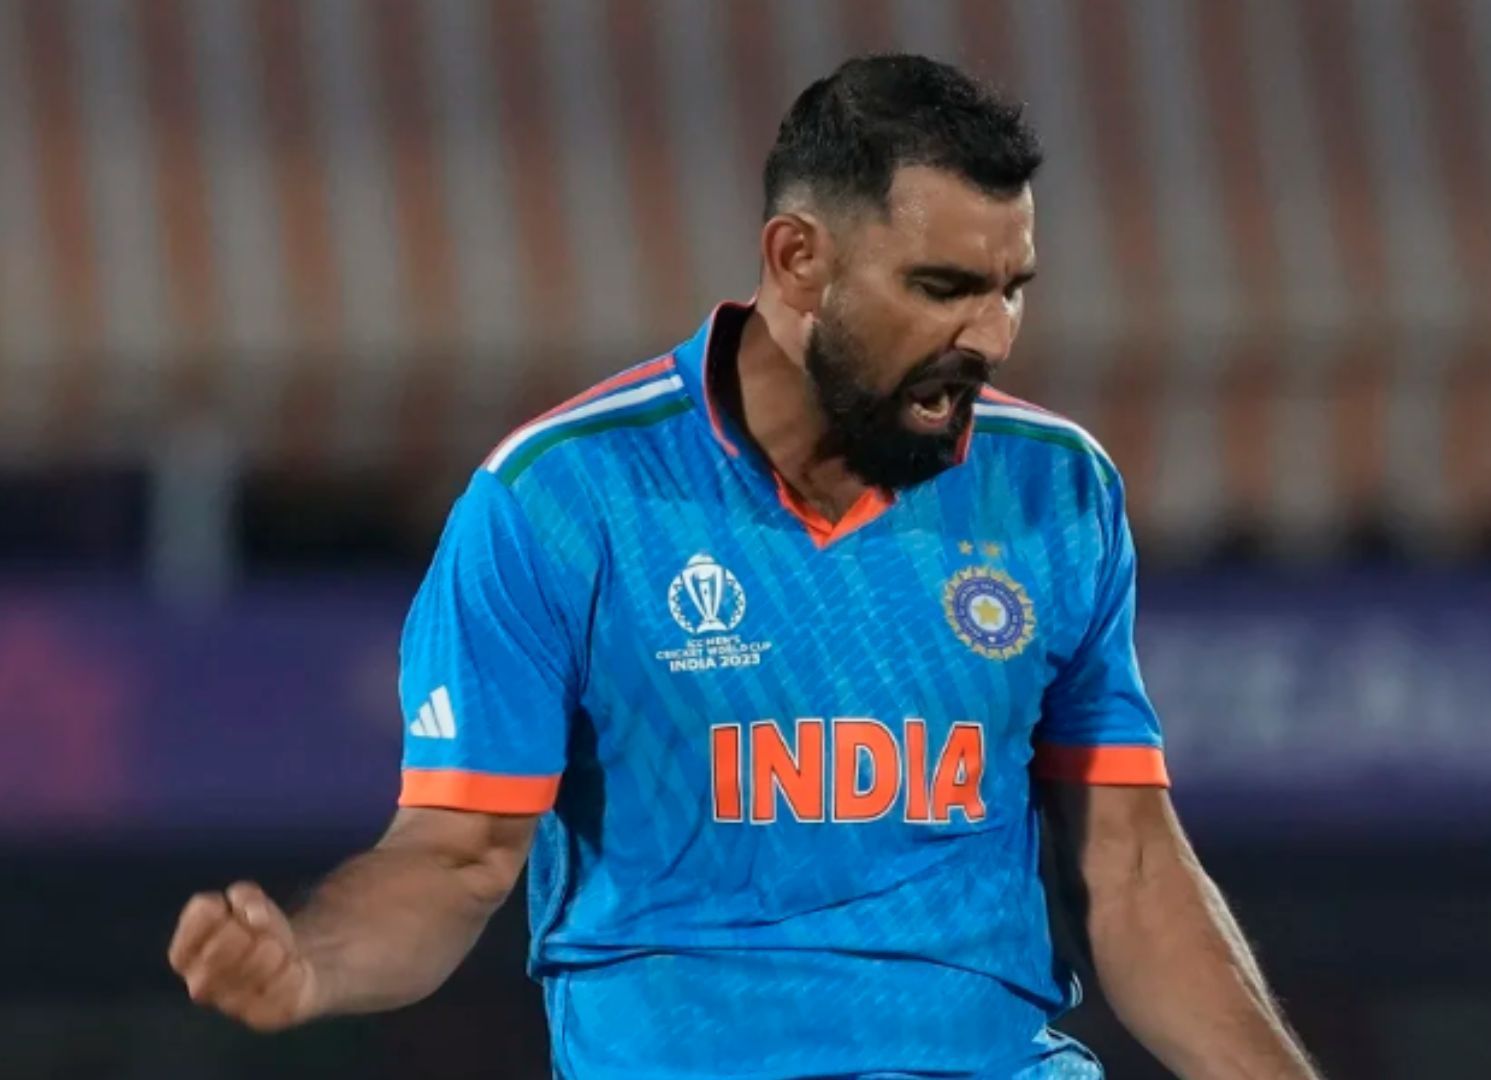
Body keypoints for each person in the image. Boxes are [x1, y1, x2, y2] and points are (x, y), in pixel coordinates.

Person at [167, 53, 1320, 1080]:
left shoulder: (1055, 488)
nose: (991, 337)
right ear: (798, 259)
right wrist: (310, 962)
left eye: (1011, 288)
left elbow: (1127, 867)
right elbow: (456, 856)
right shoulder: (560, 501)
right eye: (943, 288)